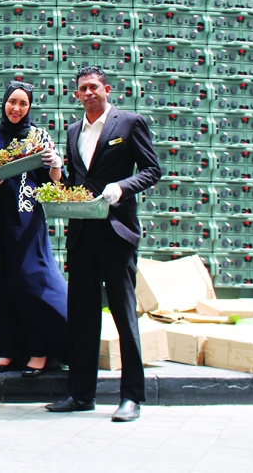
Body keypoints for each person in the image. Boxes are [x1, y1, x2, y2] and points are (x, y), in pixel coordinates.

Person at [46, 66, 161, 423]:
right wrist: (55, 172)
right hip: (82, 234)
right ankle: (81, 394)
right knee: (81, 317)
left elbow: (152, 169)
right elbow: (74, 181)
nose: (88, 92)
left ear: (106, 89)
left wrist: (122, 187)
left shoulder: (129, 123)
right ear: (76, 95)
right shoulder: (73, 130)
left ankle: (132, 398)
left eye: (94, 87)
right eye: (82, 89)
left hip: (116, 232)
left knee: (125, 316)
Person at [0, 82, 69, 376]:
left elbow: (55, 181)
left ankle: (38, 350)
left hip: (25, 220)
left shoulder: (39, 136)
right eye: (11, 102)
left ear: (29, 107)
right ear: (3, 103)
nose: (16, 109)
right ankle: (8, 349)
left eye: (23, 104)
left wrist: (55, 163)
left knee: (26, 282)